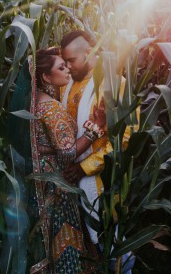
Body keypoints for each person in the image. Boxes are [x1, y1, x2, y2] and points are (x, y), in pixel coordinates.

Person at [60, 30, 136, 273]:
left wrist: (84, 167)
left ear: (89, 53)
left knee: (109, 243)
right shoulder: (67, 85)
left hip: (103, 183)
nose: (67, 66)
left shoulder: (115, 84)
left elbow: (125, 138)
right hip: (71, 179)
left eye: (71, 60)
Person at [27, 47, 104, 274]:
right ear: (46, 77)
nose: (68, 70)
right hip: (55, 185)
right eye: (61, 67)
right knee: (64, 236)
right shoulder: (51, 108)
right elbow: (68, 152)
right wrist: (95, 130)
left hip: (41, 178)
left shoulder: (35, 101)